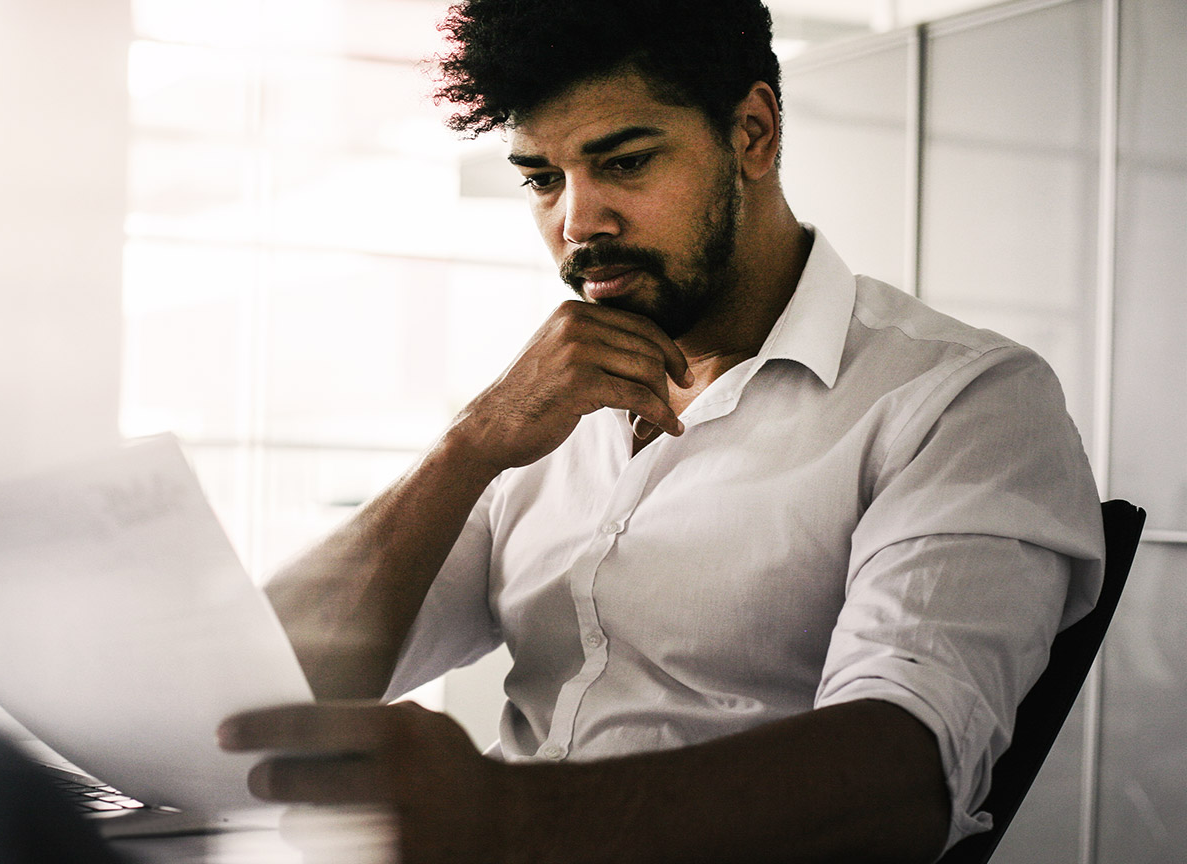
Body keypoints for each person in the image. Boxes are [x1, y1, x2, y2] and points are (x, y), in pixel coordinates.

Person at [217, 1, 1105, 862]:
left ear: (753, 132)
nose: (577, 222)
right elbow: (255, 698)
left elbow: (908, 777)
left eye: (626, 162)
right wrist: (469, 447)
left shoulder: (964, 401)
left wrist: (510, 822)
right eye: (541, 179)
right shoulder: (538, 409)